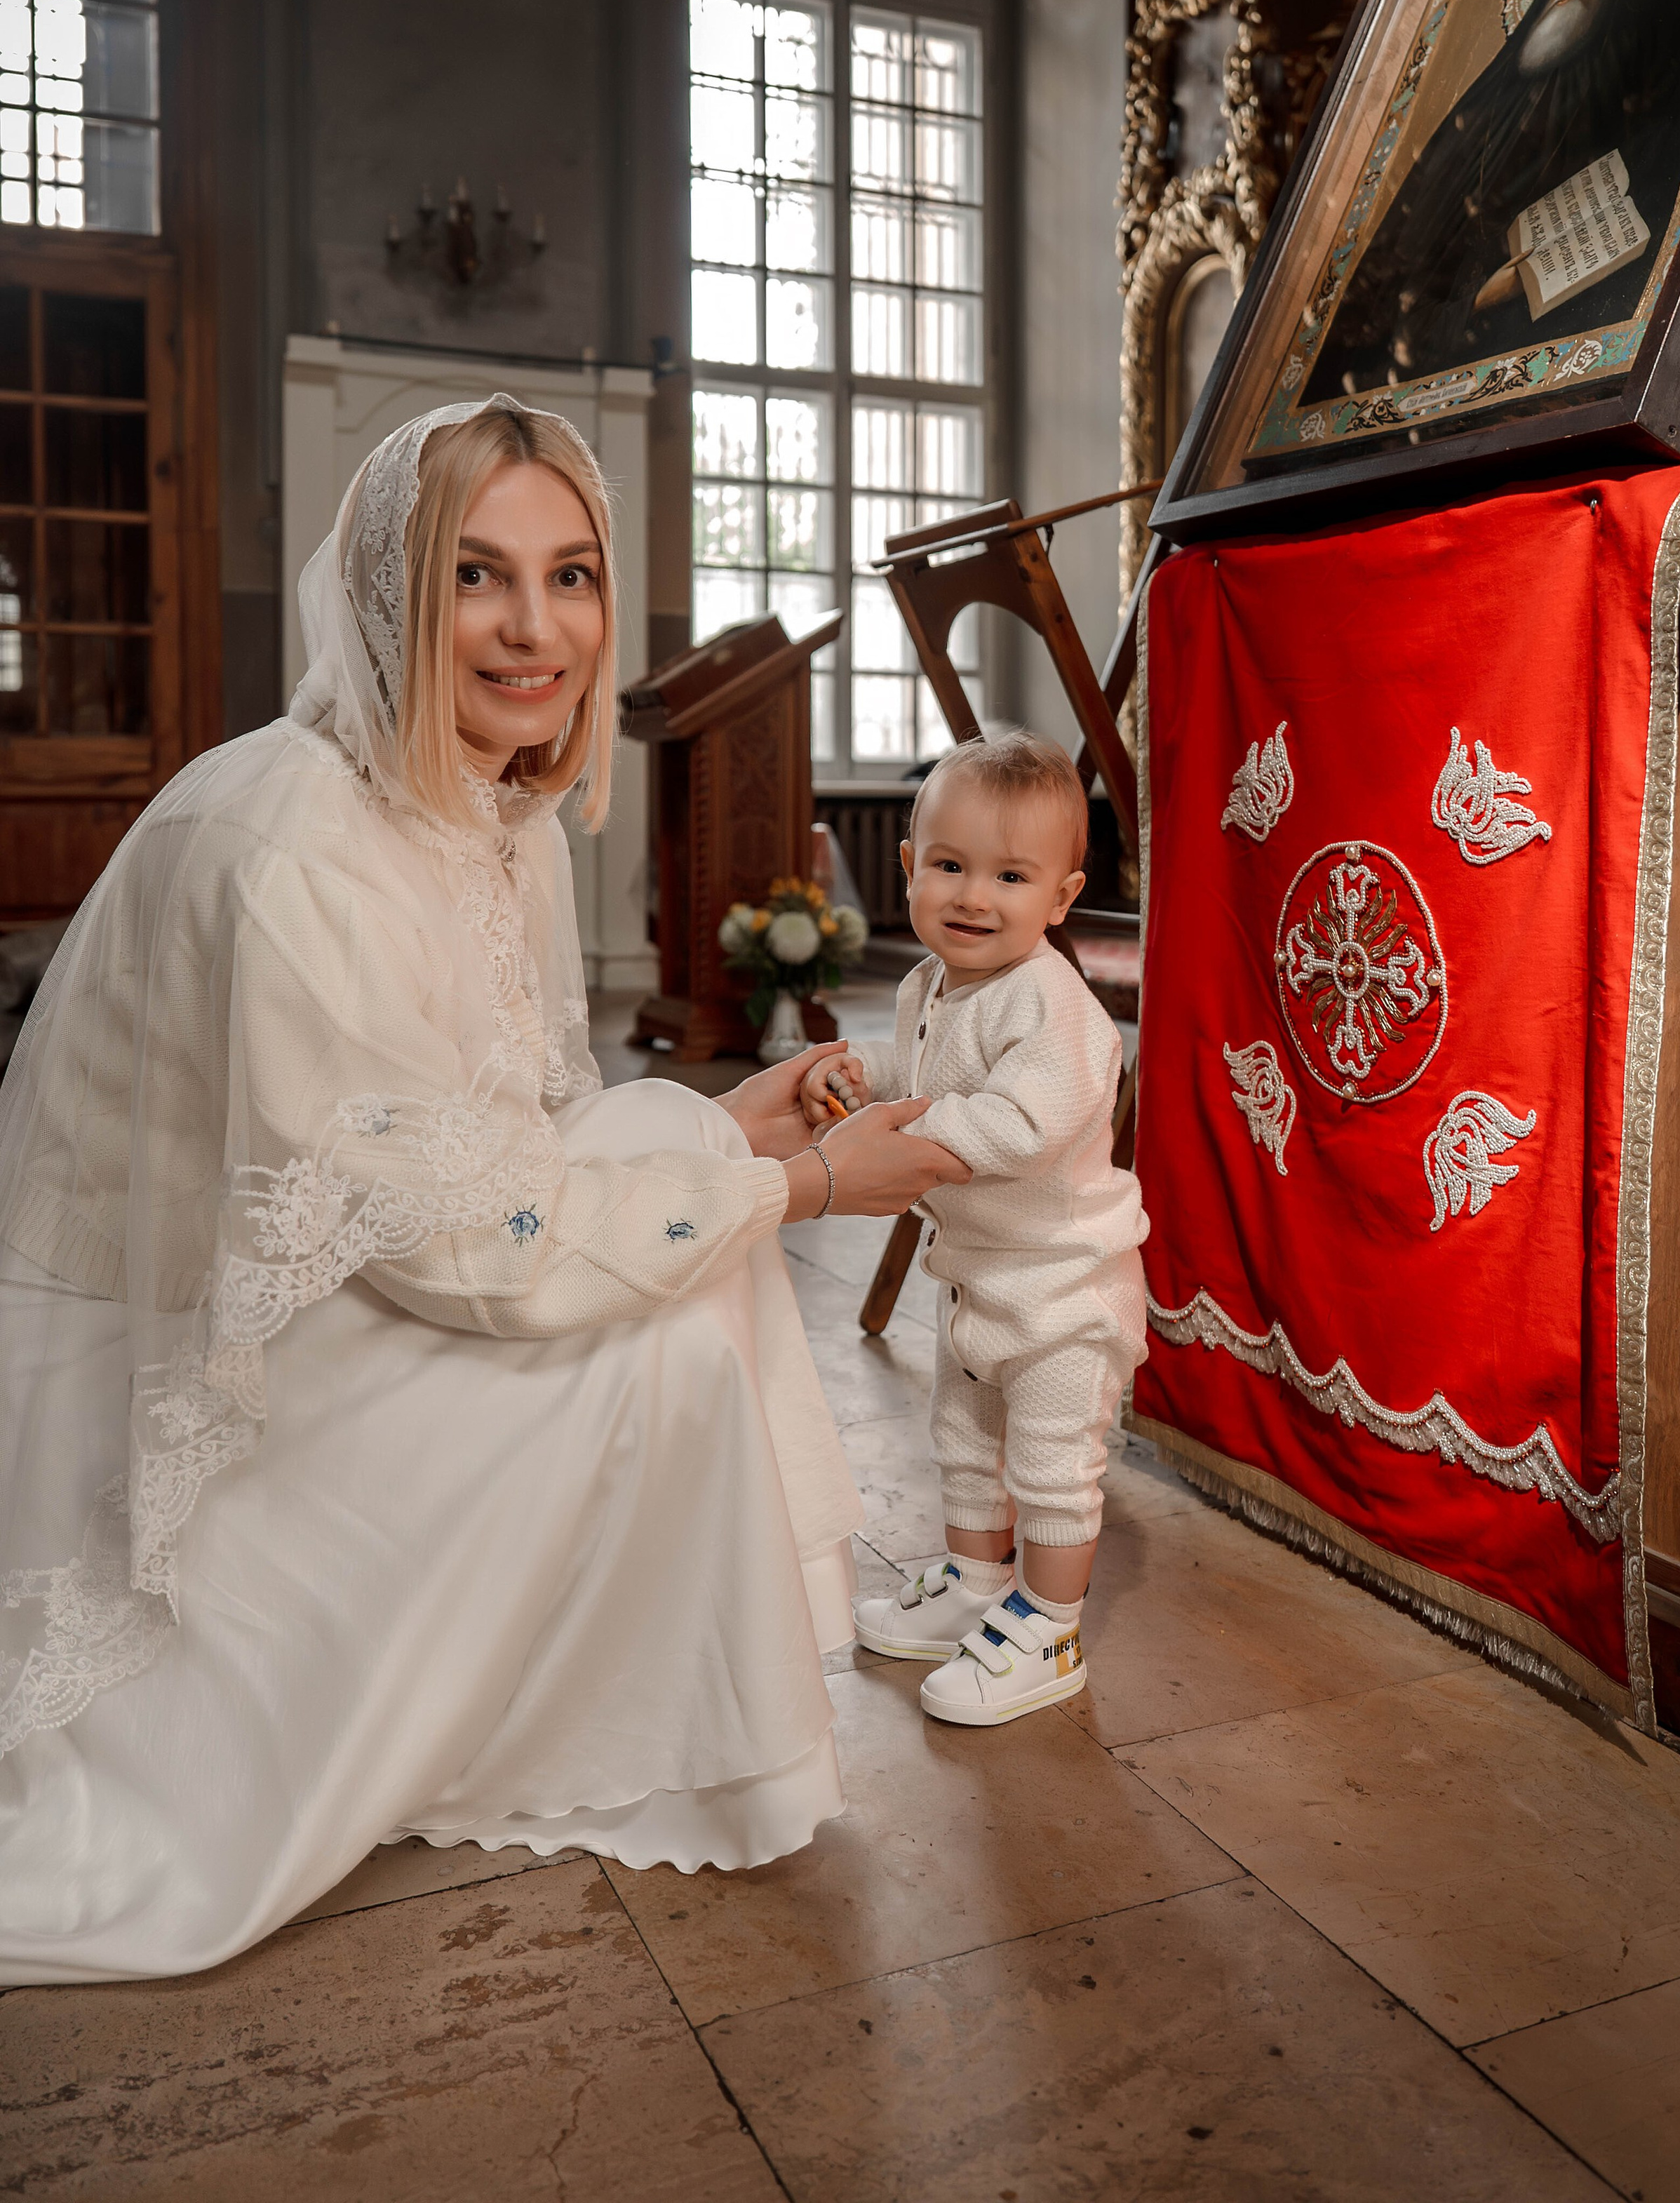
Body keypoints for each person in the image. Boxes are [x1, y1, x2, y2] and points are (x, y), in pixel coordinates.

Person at [0, 396, 967, 1986]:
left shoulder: (493, 802)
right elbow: (466, 1240)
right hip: (182, 1351)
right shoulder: (292, 840)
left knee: (659, 1135)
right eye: (476, 574)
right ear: (387, 592)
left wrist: (726, 1129)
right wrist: (796, 1187)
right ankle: (625, 1719)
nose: (536, 628)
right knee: (669, 1339)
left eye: (570, 574)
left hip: (356, 1258)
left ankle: (628, 1679)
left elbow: (516, 1127)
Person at [804, 733, 1148, 1725]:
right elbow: (925, 1071)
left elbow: (1021, 1125)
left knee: (1049, 1466)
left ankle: (1050, 1625)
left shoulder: (1053, 1007)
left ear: (1061, 897)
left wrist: (900, 1138)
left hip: (1062, 1291)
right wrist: (863, 1075)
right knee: (962, 1440)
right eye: (950, 865)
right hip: (977, 1279)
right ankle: (974, 1583)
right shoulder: (930, 983)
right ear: (908, 867)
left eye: (1010, 876)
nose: (973, 897)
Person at [1305, 0, 1680, 402]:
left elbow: (1647, 188)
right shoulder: (1515, 72)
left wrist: (1499, 291)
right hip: (1427, 326)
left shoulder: (1655, 32)